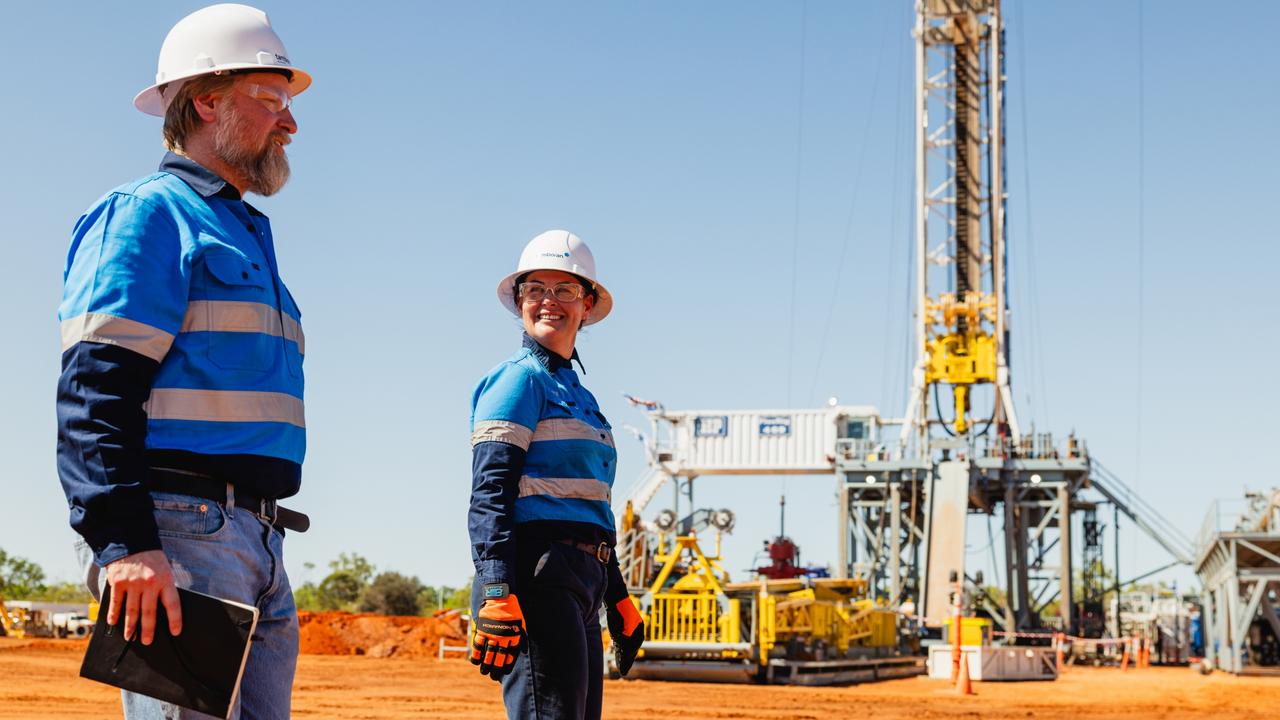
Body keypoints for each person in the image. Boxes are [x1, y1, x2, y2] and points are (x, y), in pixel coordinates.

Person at [56, 4, 311, 718]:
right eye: (272, 99)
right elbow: (94, 391)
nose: (290, 122)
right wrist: (127, 543)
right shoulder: (149, 214)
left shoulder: (241, 230)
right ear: (206, 101)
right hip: (178, 534)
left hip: (257, 539)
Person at [468, 230, 645, 719]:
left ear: (586, 304)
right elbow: (490, 494)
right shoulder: (518, 380)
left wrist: (618, 596)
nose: (550, 301)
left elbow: (589, 507)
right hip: (537, 576)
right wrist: (499, 591)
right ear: (520, 301)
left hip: (583, 580)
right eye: (536, 289)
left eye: (564, 290)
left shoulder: (579, 395)